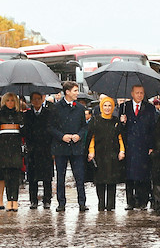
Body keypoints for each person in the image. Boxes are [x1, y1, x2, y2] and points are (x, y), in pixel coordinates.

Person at [48, 81, 88, 212]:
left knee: (79, 176)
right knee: (61, 176)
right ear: (67, 92)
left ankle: (82, 202)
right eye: (75, 90)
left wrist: (79, 135)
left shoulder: (80, 108)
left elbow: (84, 126)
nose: (77, 93)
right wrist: (62, 136)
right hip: (61, 147)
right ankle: (61, 203)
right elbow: (50, 127)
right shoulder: (56, 108)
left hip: (76, 147)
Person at [119, 85, 156, 210]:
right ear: (132, 93)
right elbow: (120, 129)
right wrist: (122, 122)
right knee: (129, 175)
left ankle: (142, 200)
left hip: (143, 145)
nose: (139, 95)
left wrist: (151, 146)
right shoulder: (124, 107)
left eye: (141, 93)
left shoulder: (149, 108)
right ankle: (130, 201)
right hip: (129, 145)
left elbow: (152, 128)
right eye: (137, 93)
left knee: (143, 175)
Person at [87, 97, 125, 211]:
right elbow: (91, 138)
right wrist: (91, 151)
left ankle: (111, 206)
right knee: (100, 180)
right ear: (101, 106)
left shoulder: (116, 121)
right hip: (99, 154)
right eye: (105, 105)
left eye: (109, 106)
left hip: (113, 154)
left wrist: (122, 150)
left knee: (112, 180)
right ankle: (101, 204)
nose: (107, 108)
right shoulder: (95, 120)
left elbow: (120, 138)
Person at [23, 92, 54, 209]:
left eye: (38, 99)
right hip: (32, 149)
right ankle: (33, 200)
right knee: (32, 177)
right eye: (34, 99)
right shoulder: (27, 115)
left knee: (47, 177)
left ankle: (47, 200)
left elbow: (51, 131)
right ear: (31, 101)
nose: (36, 101)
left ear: (42, 100)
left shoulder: (48, 113)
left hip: (46, 149)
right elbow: (25, 132)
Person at [0, 93, 24, 212]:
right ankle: (8, 199)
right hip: (4, 148)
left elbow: (24, 133)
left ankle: (15, 200)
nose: (10, 103)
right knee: (6, 175)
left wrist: (22, 124)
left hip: (15, 148)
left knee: (15, 175)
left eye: (12, 100)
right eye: (8, 100)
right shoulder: (1, 114)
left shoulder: (19, 114)